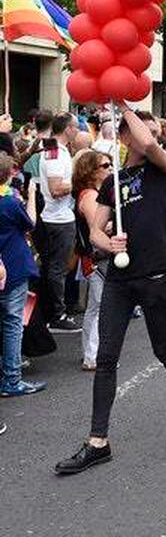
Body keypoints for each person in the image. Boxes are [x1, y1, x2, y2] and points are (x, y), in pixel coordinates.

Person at [55, 108, 166, 476]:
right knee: (106, 358)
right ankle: (98, 442)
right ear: (122, 138)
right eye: (139, 128)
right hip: (119, 280)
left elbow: (151, 143)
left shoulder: (162, 167)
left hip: (154, 276)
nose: (151, 134)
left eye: (152, 129)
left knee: (163, 348)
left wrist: (122, 103)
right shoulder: (112, 181)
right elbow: (94, 232)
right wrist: (109, 242)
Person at [0, 153, 43, 397]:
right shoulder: (9, 203)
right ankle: (12, 378)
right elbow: (31, 223)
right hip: (13, 266)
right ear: (8, 175)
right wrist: (32, 196)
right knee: (13, 323)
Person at [37, 113, 80, 332]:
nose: (79, 130)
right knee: (57, 268)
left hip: (60, 217)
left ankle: (53, 311)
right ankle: (56, 315)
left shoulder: (57, 150)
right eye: (77, 126)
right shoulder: (54, 152)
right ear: (68, 129)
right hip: (58, 219)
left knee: (57, 267)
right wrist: (78, 182)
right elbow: (55, 189)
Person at [73, 150, 113, 370]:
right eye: (105, 166)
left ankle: (93, 352)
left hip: (99, 256)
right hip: (96, 257)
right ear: (91, 171)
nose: (109, 169)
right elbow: (96, 230)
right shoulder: (89, 196)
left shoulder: (96, 193)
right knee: (97, 306)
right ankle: (91, 355)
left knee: (99, 305)